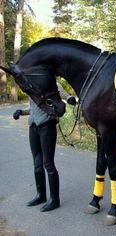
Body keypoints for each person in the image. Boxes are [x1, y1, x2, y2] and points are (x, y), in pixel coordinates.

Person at [13, 82, 76, 212]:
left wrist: (70, 99)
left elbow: (65, 95)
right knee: (37, 163)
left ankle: (54, 200)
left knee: (48, 163)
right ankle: (40, 195)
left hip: (47, 125)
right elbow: (34, 107)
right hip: (33, 126)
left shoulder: (54, 84)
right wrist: (22, 112)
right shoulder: (31, 85)